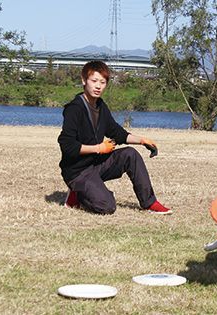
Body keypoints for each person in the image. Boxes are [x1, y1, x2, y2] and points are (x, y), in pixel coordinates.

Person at [58, 60, 171, 215]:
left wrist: (142, 140)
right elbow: (67, 145)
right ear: (84, 80)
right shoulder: (74, 109)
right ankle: (77, 192)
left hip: (96, 165)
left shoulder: (101, 107)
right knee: (107, 206)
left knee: (130, 154)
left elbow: (117, 133)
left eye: (102, 82)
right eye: (94, 81)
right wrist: (99, 148)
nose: (98, 86)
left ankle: (149, 203)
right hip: (78, 172)